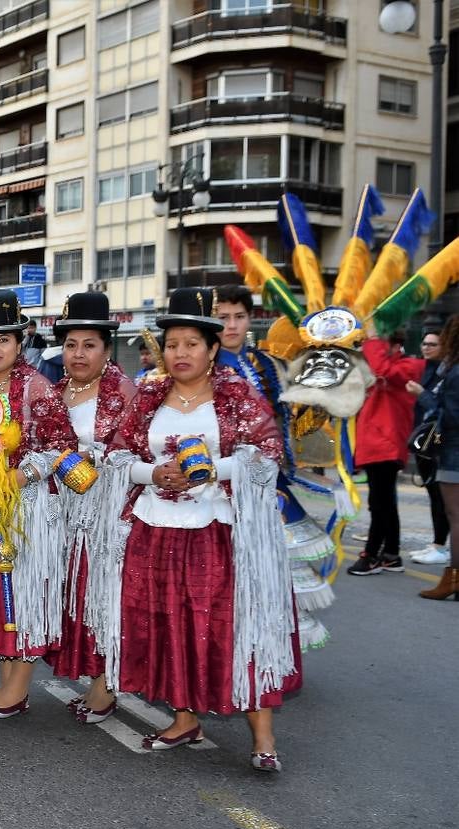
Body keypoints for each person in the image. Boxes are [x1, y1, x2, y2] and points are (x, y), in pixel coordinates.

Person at [100, 288, 300, 773]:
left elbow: (267, 452)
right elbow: (118, 456)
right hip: (156, 528)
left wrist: (216, 468)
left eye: (192, 344)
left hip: (219, 531)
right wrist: (154, 474)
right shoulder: (148, 395)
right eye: (172, 344)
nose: (181, 353)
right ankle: (184, 718)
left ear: (212, 349)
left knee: (233, 624)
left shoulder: (236, 394)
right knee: (169, 622)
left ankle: (263, 735)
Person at [0, 289, 76, 719]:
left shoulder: (36, 388)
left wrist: (17, 476)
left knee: (23, 593)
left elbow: (62, 447)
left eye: (3, 339)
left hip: (26, 510)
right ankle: (8, 683)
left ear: (19, 342)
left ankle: (18, 688)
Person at [214, 283, 339, 650]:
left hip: (271, 485)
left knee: (274, 570)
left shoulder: (269, 364)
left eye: (240, 317)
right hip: (220, 485)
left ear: (250, 319)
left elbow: (295, 423)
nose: (232, 325)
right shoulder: (201, 364)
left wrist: (325, 396)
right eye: (224, 318)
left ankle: (270, 650)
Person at [44, 292, 135, 723]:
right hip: (64, 513)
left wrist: (96, 459)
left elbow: (136, 454)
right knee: (75, 596)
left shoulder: (125, 393)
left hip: (106, 514)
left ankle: (106, 686)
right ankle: (94, 676)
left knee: (104, 597)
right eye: (71, 345)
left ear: (107, 348)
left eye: (89, 345)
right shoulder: (55, 390)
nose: (78, 354)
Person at [348, 330, 423, 575]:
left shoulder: (409, 366)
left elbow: (383, 370)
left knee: (380, 504)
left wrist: (372, 338)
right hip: (376, 445)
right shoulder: (383, 368)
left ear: (394, 345)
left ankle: (370, 556)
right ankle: (391, 554)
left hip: (387, 444)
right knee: (385, 504)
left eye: (382, 344)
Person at [417, 315, 459, 600]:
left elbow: (453, 416)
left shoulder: (454, 373)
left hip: (454, 452)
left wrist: (428, 400)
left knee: (456, 517)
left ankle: (453, 579)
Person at [407, 328, 449, 565]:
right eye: (424, 343)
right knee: (433, 494)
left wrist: (421, 393)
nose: (426, 347)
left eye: (433, 344)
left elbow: (440, 409)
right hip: (424, 441)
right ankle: (437, 543)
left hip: (439, 441)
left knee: (441, 495)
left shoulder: (446, 374)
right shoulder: (426, 370)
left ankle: (441, 546)